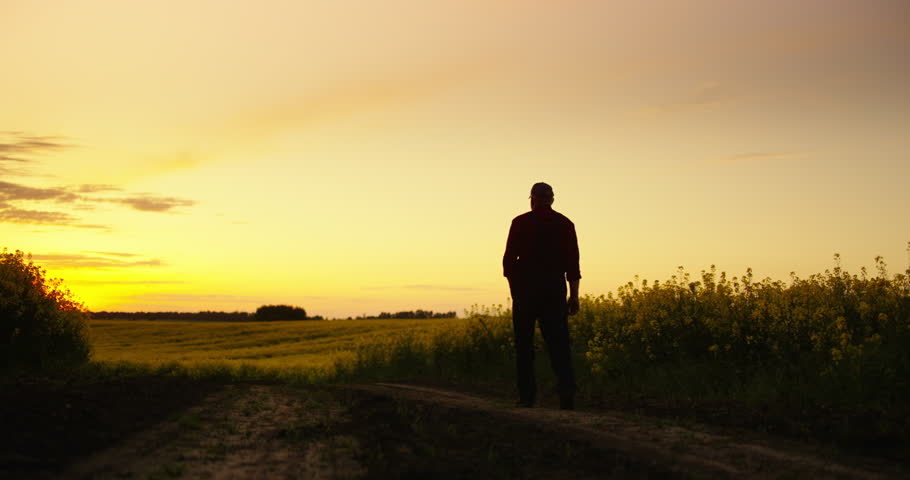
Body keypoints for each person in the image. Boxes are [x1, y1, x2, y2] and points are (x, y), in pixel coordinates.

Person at [503, 182, 580, 410]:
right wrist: (574, 296)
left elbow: (508, 262)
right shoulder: (565, 224)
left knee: (524, 345)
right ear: (552, 199)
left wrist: (515, 289)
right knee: (559, 345)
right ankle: (567, 397)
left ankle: (527, 398)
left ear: (532, 199)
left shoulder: (520, 223)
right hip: (554, 291)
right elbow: (572, 265)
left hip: (525, 291)